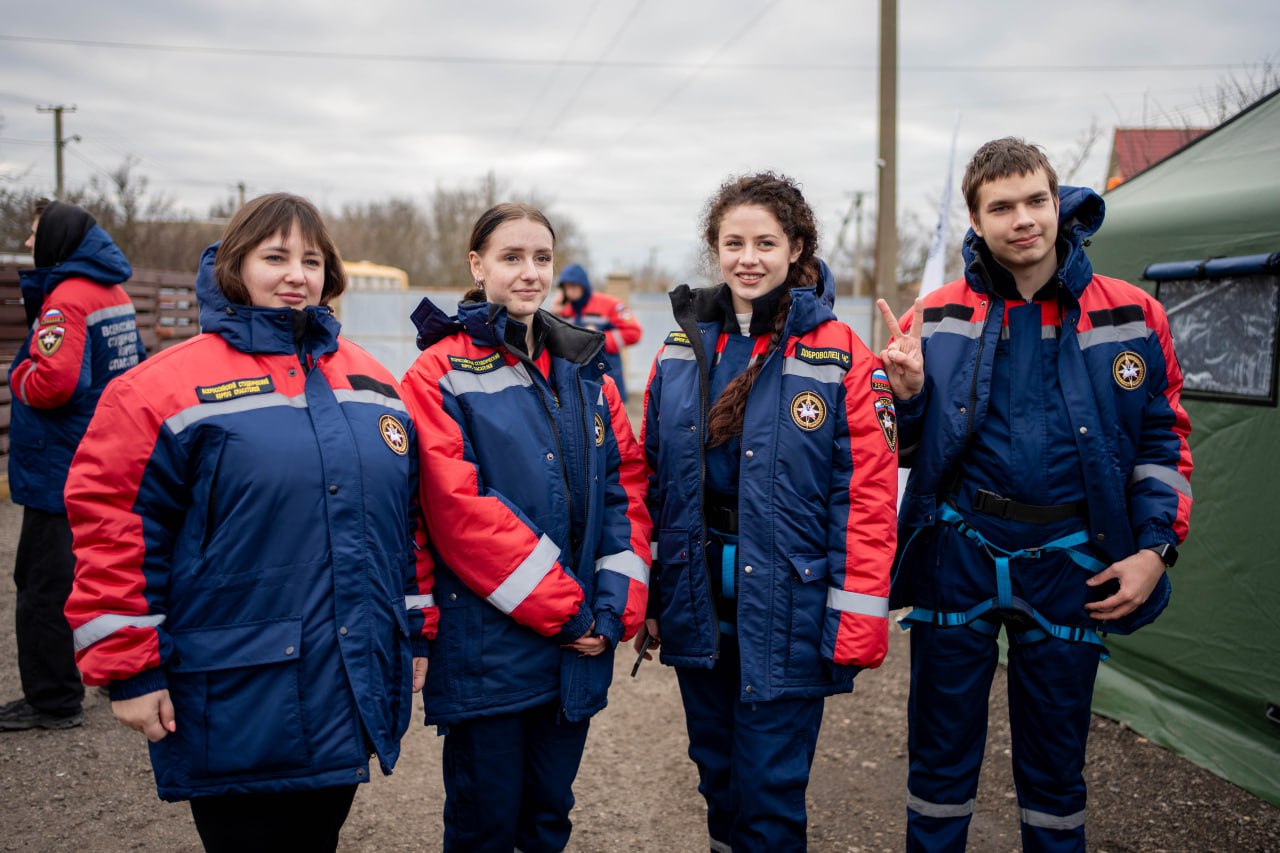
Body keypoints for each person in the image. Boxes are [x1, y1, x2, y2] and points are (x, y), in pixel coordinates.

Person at [61, 193, 435, 852]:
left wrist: (414, 631)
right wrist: (131, 668)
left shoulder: (372, 381)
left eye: (311, 260)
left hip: (347, 677)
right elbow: (115, 526)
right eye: (276, 257)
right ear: (236, 264)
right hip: (237, 686)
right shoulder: (159, 390)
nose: (296, 275)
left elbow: (404, 523)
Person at [877, 138, 1193, 852]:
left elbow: (1163, 443)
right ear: (975, 218)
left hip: (1073, 561)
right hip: (958, 553)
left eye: (1035, 201)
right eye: (1001, 207)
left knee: (1055, 772)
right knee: (938, 759)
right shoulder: (933, 316)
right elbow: (900, 450)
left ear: (1058, 203)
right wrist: (909, 398)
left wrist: (1154, 551)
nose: (1022, 219)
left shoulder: (1134, 313)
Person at [637, 173, 898, 851]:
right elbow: (653, 482)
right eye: (733, 243)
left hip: (790, 612)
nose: (747, 258)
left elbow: (867, 501)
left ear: (797, 247)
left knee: (769, 793)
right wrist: (653, 594)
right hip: (699, 605)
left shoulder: (842, 355)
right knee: (718, 779)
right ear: (714, 249)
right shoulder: (679, 349)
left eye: (765, 243)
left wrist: (855, 619)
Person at [400, 203, 651, 852]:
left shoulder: (584, 367)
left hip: (577, 648)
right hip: (492, 653)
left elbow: (624, 488)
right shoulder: (438, 372)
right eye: (511, 257)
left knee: (548, 820)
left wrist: (614, 609)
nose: (530, 272)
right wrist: (573, 614)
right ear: (477, 265)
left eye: (541, 257)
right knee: (484, 826)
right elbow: (460, 512)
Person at [1, 200, 144, 733]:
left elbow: (54, 383)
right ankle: (112, 669)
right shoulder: (114, 292)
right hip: (104, 453)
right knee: (102, 570)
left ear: (57, 238)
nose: (29, 242)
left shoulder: (67, 298)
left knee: (44, 582)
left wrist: (18, 376)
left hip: (59, 461)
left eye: (35, 232)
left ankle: (52, 699)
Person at [554, 262, 643, 401]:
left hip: (607, 375)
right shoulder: (563, 310)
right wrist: (555, 314)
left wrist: (599, 339)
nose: (570, 292)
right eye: (566, 288)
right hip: (575, 381)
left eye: (574, 286)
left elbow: (633, 332)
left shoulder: (610, 304)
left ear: (584, 286)